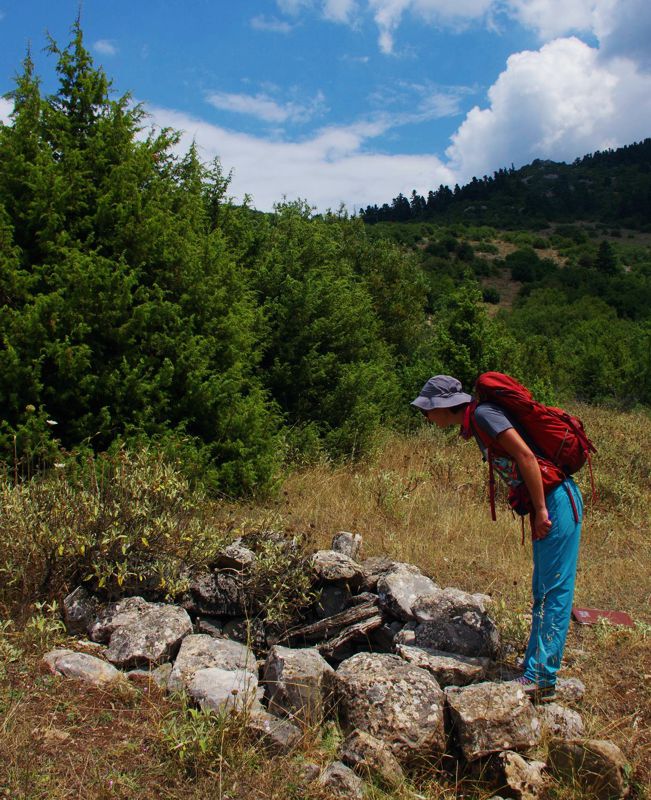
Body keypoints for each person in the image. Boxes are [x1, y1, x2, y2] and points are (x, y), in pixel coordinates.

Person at [411, 374, 583, 700]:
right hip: (549, 500)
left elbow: (527, 457)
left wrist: (543, 510)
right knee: (542, 589)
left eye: (426, 410)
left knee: (553, 591)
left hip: (557, 501)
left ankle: (541, 678)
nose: (426, 417)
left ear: (443, 406)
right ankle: (535, 667)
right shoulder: (477, 422)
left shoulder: (482, 416)